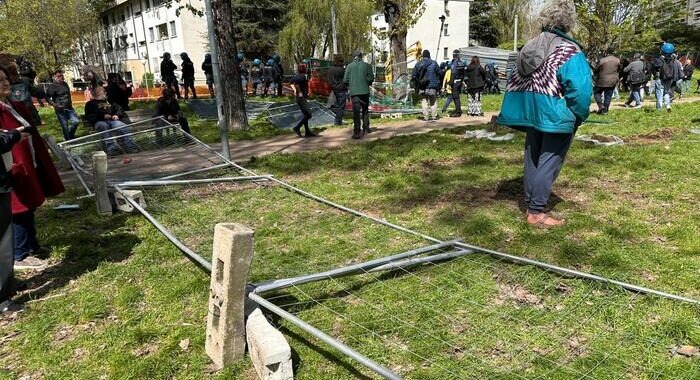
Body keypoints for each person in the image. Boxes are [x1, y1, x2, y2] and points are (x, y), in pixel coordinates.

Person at [496, 0, 592, 227]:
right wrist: (579, 114)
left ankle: (531, 201)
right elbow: (579, 90)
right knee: (550, 160)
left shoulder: (529, 46)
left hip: (530, 110)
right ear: (569, 22)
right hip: (557, 112)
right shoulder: (569, 50)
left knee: (533, 157)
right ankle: (536, 212)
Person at [0, 65, 65, 270]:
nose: (5, 83)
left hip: (29, 160)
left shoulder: (13, 104)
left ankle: (32, 246)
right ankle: (20, 254)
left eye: (5, 78)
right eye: (0, 81)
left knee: (30, 205)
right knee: (19, 208)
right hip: (10, 167)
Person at [84, 86, 138, 155]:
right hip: (99, 122)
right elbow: (89, 116)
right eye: (104, 91)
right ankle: (112, 149)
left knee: (123, 126)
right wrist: (102, 116)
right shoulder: (90, 104)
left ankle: (131, 147)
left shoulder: (109, 102)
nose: (106, 92)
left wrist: (117, 115)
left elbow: (119, 108)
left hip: (112, 121)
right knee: (103, 126)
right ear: (98, 93)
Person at [343, 50, 374, 139]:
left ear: (353, 57)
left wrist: (351, 84)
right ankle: (366, 128)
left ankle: (357, 132)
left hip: (354, 92)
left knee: (356, 113)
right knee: (365, 110)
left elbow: (345, 80)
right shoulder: (367, 65)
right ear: (361, 56)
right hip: (365, 91)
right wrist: (366, 83)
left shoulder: (349, 66)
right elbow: (371, 78)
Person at [8, 55, 45, 126]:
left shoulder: (25, 80)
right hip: (18, 118)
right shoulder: (6, 85)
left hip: (28, 116)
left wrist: (45, 90)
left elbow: (36, 92)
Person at [45, 70, 80, 141]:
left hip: (69, 108)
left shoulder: (65, 84)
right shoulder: (52, 86)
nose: (61, 77)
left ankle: (71, 135)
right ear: (55, 77)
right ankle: (68, 140)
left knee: (76, 121)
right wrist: (55, 105)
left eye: (62, 76)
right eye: (59, 76)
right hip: (60, 110)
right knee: (65, 126)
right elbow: (47, 97)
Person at [412, 49, 441, 121]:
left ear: (423, 56)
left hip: (422, 86)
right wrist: (438, 82)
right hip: (432, 86)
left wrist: (417, 83)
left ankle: (426, 117)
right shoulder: (434, 63)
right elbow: (439, 73)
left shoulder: (418, 64)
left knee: (424, 101)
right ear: (429, 55)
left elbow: (414, 75)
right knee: (433, 101)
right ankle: (434, 116)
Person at [289, 64, 316, 138]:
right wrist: (299, 92)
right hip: (301, 98)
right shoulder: (302, 77)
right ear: (304, 69)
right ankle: (297, 128)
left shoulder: (297, 76)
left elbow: (291, 82)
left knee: (305, 115)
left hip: (299, 98)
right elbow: (296, 84)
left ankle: (307, 131)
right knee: (309, 114)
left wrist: (295, 91)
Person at [659, 43, 681, 112]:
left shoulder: (661, 58)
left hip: (662, 77)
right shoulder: (673, 59)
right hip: (670, 77)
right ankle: (668, 105)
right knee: (666, 92)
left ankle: (659, 108)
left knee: (660, 92)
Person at [327, 54, 347, 126]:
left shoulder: (330, 69)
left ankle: (337, 121)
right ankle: (338, 122)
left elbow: (328, 80)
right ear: (341, 61)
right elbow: (346, 79)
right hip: (341, 89)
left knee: (336, 105)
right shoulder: (342, 70)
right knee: (341, 106)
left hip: (333, 89)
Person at [447, 50, 465, 117]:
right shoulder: (461, 62)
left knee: (455, 97)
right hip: (459, 81)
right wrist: (461, 81)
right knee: (457, 96)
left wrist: (450, 83)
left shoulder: (455, 62)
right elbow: (463, 73)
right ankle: (458, 109)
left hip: (455, 81)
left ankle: (458, 111)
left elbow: (453, 73)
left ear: (454, 55)